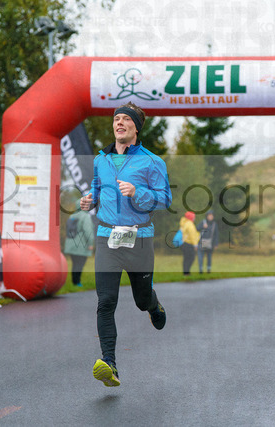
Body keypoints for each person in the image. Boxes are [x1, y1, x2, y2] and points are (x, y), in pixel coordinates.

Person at [80, 102, 172, 387]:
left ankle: (153, 305)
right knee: (106, 301)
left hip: (139, 239)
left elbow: (164, 199)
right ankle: (110, 363)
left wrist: (138, 192)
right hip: (107, 237)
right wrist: (89, 200)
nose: (119, 123)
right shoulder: (101, 160)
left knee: (140, 300)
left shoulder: (152, 162)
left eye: (125, 119)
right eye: (116, 119)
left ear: (136, 127)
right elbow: (97, 188)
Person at [63, 200, 95, 287]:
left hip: (70, 244)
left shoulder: (72, 216)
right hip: (81, 245)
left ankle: (74, 282)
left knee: (75, 263)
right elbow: (88, 231)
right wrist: (90, 244)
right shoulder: (85, 216)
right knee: (80, 264)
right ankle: (77, 282)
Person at [180, 211, 200, 275]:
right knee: (191, 258)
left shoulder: (184, 223)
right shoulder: (190, 224)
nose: (194, 218)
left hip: (184, 243)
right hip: (189, 244)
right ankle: (187, 272)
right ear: (191, 217)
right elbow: (192, 236)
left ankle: (185, 272)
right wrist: (195, 245)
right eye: (193, 217)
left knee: (186, 258)